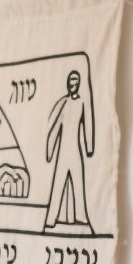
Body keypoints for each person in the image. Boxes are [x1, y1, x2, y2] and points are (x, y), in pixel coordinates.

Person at [44, 70, 94, 231]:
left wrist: (89, 147)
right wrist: (49, 151)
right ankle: (51, 219)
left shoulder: (82, 103)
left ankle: (81, 217)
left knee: (78, 183)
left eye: (75, 82)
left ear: (78, 84)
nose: (73, 85)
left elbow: (87, 125)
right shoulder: (63, 103)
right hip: (63, 152)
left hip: (76, 151)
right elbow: (53, 126)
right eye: (71, 82)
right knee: (58, 184)